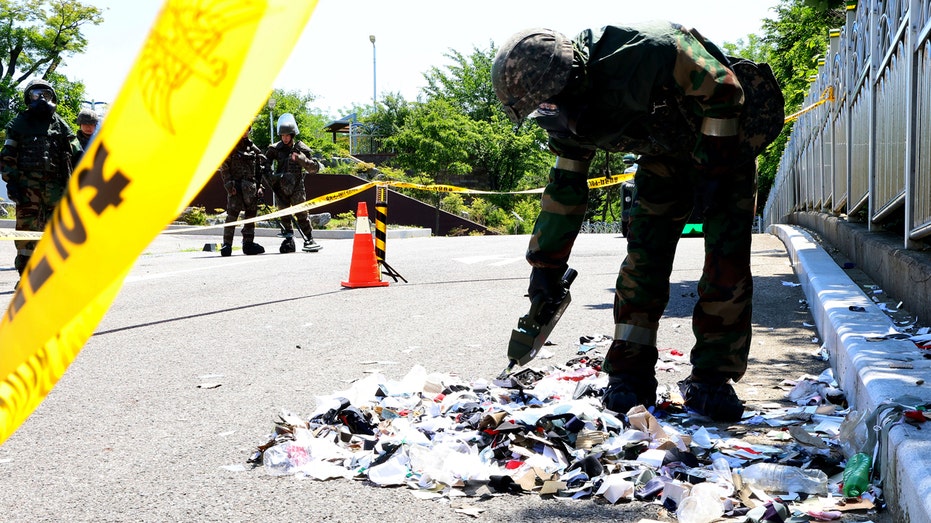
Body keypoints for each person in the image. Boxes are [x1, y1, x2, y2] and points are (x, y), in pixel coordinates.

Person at [492, 22, 783, 421]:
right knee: (644, 257)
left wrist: (715, 171)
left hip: (724, 140)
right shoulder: (561, 111)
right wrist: (545, 267)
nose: (549, 114)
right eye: (541, 108)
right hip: (663, 156)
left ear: (572, 79)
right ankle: (630, 374)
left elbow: (725, 89)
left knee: (726, 261)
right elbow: (565, 190)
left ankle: (712, 380)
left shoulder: (648, 51)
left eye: (550, 102)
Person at [1, 78, 83, 276]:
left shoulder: (59, 124)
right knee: (26, 238)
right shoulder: (19, 123)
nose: (42, 99)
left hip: (56, 190)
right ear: (29, 98)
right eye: (36, 95)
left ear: (52, 97)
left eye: (45, 95)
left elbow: (77, 152)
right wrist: (11, 182)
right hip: (27, 191)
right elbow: (7, 156)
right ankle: (26, 278)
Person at [264, 113, 323, 253]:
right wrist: (272, 179)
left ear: (292, 135)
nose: (284, 138)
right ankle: (289, 240)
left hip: (297, 187)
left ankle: (309, 239)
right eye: (282, 135)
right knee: (284, 214)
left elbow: (314, 169)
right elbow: (264, 165)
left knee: (302, 214)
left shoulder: (301, 149)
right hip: (280, 187)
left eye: (287, 135)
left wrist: (303, 160)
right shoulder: (275, 149)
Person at [217, 125, 266, 257]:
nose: (244, 132)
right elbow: (224, 167)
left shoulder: (253, 148)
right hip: (236, 188)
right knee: (232, 216)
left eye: (247, 129)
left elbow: (259, 170)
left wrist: (260, 187)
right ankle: (227, 244)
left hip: (251, 188)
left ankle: (248, 244)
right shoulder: (230, 147)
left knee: (250, 216)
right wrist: (228, 184)